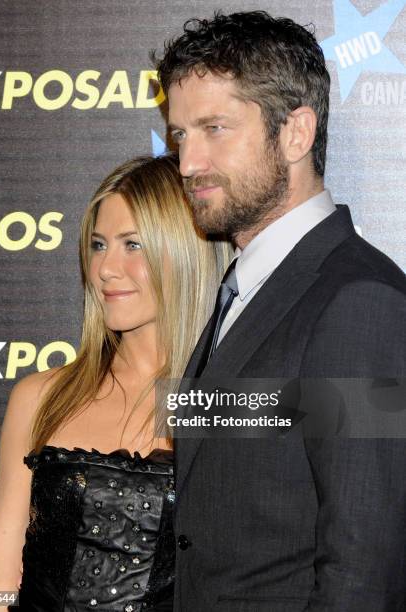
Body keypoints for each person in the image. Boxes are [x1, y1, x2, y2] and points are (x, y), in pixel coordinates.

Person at [155, 11, 406, 611]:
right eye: (180, 135)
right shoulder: (245, 285)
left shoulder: (358, 302)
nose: (188, 163)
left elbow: (364, 563)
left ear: (296, 133)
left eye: (214, 129)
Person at [0, 154, 230, 612]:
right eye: (99, 245)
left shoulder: (232, 401)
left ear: (185, 251)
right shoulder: (42, 397)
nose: (105, 268)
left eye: (133, 245)